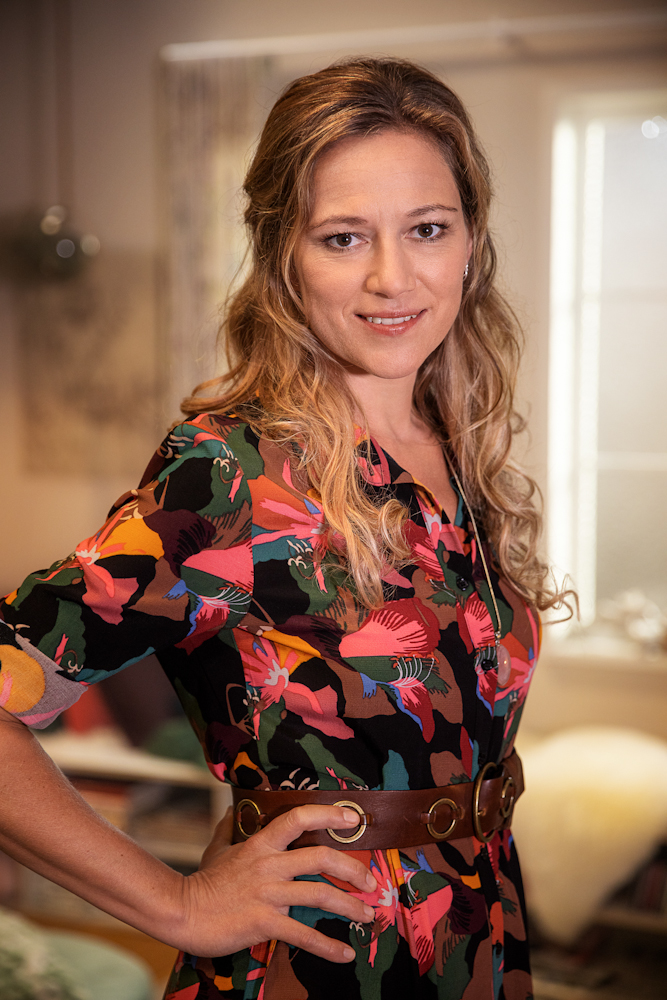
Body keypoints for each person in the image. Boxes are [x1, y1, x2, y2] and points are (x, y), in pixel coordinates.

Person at [0, 58, 568, 999]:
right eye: (343, 237)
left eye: (427, 229)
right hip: (316, 966)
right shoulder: (230, 471)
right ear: (282, 258)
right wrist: (178, 904)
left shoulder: (456, 445)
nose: (392, 277)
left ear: (470, 240)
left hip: (478, 953)